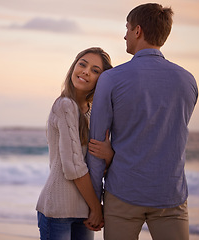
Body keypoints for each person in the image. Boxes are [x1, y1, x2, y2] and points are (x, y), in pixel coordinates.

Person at [86, 3, 199, 240]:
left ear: (137, 31)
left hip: (123, 194)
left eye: (127, 28)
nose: (124, 34)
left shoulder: (111, 79)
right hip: (171, 195)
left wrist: (94, 204)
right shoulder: (188, 81)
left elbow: (96, 146)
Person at [36, 47, 113, 240]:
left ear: (101, 79)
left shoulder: (94, 110)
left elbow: (97, 163)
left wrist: (109, 155)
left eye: (95, 70)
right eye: (83, 64)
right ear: (73, 67)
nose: (86, 71)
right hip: (59, 210)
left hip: (84, 210)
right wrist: (96, 207)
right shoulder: (65, 105)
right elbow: (73, 168)